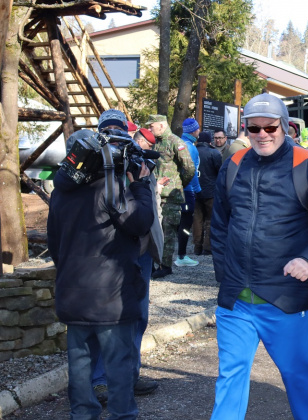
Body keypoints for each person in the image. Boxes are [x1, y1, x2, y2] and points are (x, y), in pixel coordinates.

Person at [209, 94, 308, 419]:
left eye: (270, 127)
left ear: (285, 127)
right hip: (236, 303)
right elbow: (219, 226)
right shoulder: (233, 165)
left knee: (299, 378)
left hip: (285, 299)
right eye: (254, 128)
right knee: (229, 379)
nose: (262, 134)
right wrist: (225, 275)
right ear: (245, 128)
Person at [48, 113, 155, 419]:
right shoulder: (109, 190)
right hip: (111, 298)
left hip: (72, 294)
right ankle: (123, 415)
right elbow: (139, 222)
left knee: (79, 365)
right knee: (118, 365)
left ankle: (83, 415)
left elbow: (55, 246)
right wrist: (141, 186)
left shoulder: (59, 194)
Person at [91, 120, 162, 404]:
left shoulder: (136, 160)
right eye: (111, 135)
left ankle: (129, 375)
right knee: (103, 320)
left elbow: (148, 208)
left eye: (121, 135)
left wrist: (141, 179)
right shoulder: (93, 167)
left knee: (138, 318)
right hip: (108, 252)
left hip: (141, 250)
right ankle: (99, 381)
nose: (117, 143)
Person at [147, 114, 196, 279]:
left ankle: (165, 265)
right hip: (156, 193)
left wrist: (178, 183)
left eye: (151, 126)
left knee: (168, 232)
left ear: (161, 125)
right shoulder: (155, 143)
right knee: (155, 231)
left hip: (171, 197)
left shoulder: (176, 142)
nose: (149, 129)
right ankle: (154, 264)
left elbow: (189, 168)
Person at [176, 118, 202, 267]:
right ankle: (181, 256)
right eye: (197, 129)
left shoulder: (179, 143)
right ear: (194, 130)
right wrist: (197, 190)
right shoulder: (190, 148)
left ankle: (178, 254)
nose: (199, 131)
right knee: (185, 224)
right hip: (187, 191)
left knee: (179, 224)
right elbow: (192, 171)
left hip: (178, 189)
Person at [193, 131, 222, 255]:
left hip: (195, 190)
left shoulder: (192, 151)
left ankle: (197, 247)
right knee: (210, 220)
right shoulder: (214, 153)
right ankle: (207, 247)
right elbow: (220, 171)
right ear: (209, 141)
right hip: (211, 191)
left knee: (197, 220)